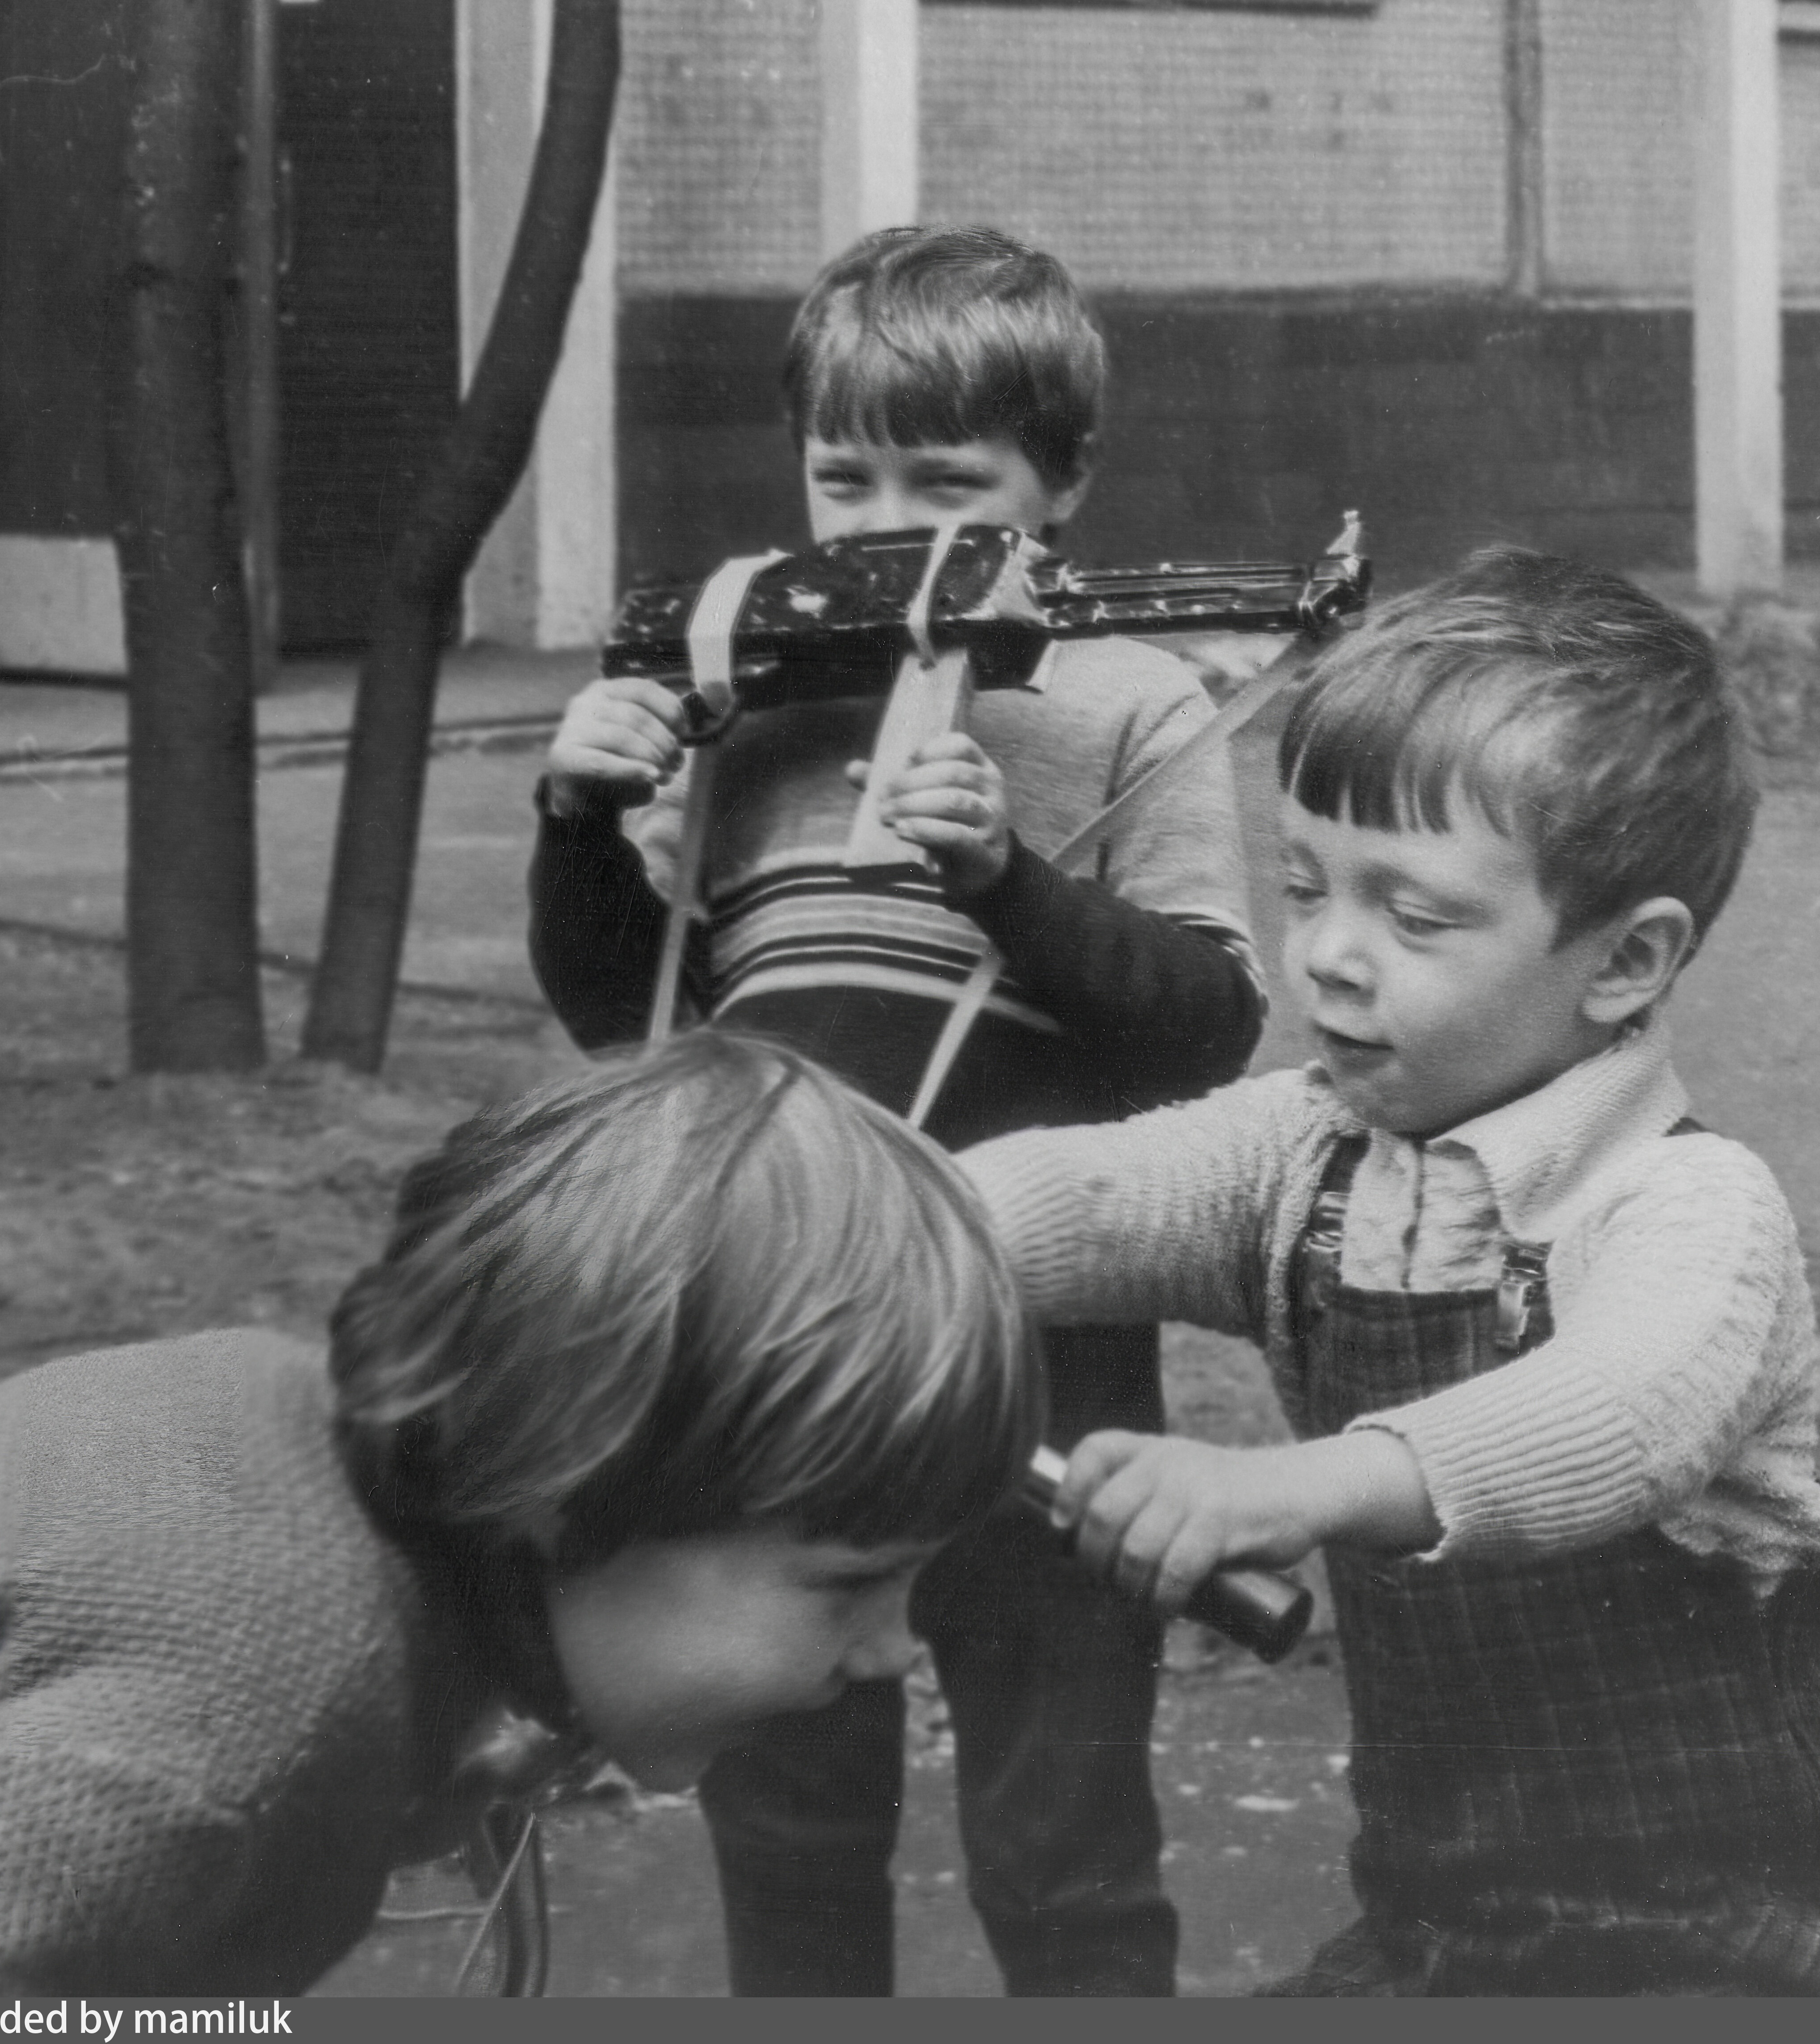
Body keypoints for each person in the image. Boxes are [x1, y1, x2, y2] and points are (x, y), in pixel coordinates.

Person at [0, 1034, 1042, 1998]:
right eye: (846, 1583)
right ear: (569, 1481)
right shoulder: (253, 1705)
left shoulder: (312, 1467)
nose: (892, 1651)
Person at [962, 546, 1820, 1996]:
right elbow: (1074, 1195)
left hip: (1717, 1953)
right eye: (1303, 885)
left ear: (1623, 962)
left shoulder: (1686, 1206)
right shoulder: (1305, 1155)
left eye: (1413, 916)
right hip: (1436, 1939)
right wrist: (847, 1227)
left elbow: (1620, 1414)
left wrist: (1286, 1487)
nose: (1328, 957)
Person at [529, 224, 1264, 1996]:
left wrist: (1008, 878)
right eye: (841, 479)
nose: (882, 526)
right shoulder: (749, 702)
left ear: (1061, 483)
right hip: (780, 1337)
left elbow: (1204, 1033)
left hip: (1039, 1341)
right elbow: (638, 1014)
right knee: (788, 1821)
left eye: (947, 483)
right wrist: (579, 821)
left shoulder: (1135, 698)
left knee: (1063, 1841)